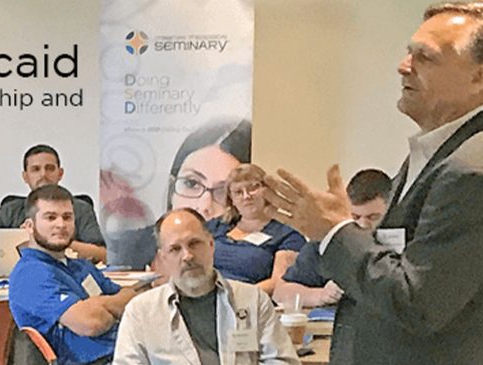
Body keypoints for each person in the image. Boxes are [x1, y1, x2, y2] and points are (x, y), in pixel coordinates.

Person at [263, 2, 483, 365]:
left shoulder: (471, 170)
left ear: (478, 76)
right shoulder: (441, 153)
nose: (403, 66)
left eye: (425, 57)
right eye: (408, 52)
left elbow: (419, 301)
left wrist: (336, 232)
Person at [112, 208, 303, 365]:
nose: (187, 256)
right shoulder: (140, 312)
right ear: (163, 258)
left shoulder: (253, 299)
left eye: (194, 243)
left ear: (211, 245)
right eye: (175, 249)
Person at [9, 184, 143, 365]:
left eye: (67, 217)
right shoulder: (31, 274)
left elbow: (135, 302)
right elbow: (91, 323)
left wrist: (100, 305)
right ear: (29, 226)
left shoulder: (81, 267)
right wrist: (110, 307)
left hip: (130, 360)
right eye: (50, 217)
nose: (60, 224)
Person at [108, 118, 251, 268]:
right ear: (172, 189)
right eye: (191, 183)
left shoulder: (247, 250)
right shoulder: (130, 247)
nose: (204, 206)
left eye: (223, 191)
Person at [275, 168, 391, 307]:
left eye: (373, 217)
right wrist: (320, 295)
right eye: (355, 217)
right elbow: (280, 293)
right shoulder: (328, 240)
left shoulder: (399, 241)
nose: (363, 224)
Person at [0, 144, 106, 263]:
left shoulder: (81, 208)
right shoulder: (9, 210)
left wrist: (56, 240)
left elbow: (102, 254)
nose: (43, 174)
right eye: (36, 169)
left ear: (60, 173)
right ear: (25, 176)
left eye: (50, 168)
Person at [206, 163, 306, 296]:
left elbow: (279, 283)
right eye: (238, 192)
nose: (246, 196)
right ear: (231, 200)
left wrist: (235, 296)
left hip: (247, 300)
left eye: (253, 188)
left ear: (267, 192)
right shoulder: (216, 226)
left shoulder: (288, 234)